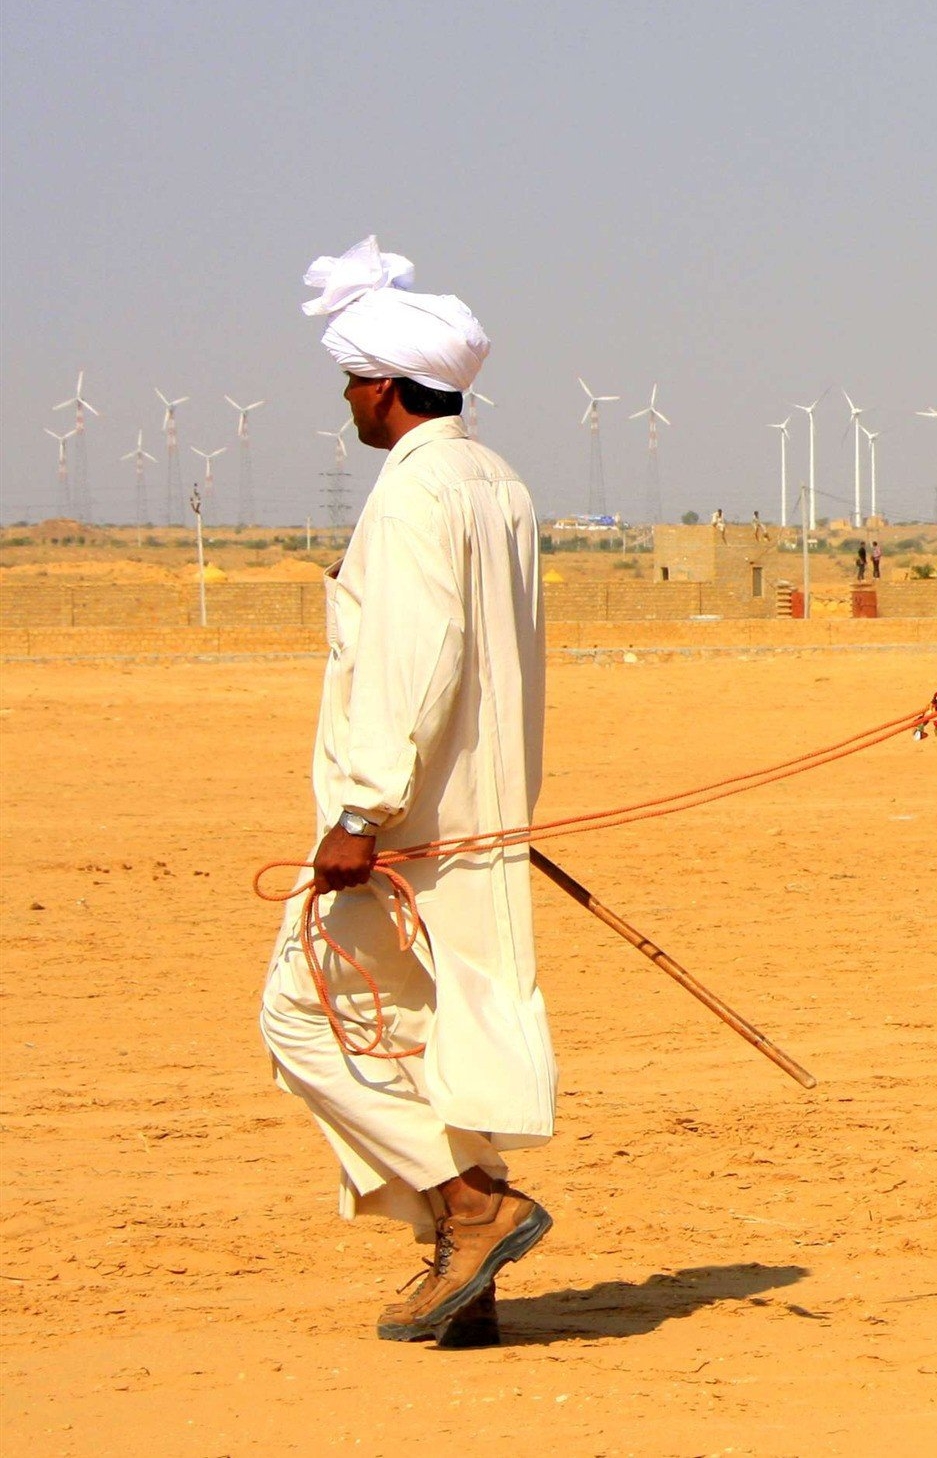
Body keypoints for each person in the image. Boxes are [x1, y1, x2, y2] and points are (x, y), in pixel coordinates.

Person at [261, 236, 553, 1346]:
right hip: (475, 814)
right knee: (431, 1041)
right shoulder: (499, 482)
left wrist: (360, 812)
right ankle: (467, 1278)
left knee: (308, 1016)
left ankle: (472, 1212)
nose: (345, 397)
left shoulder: (415, 493)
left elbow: (417, 658)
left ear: (383, 386)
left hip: (405, 830)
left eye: (349, 379)